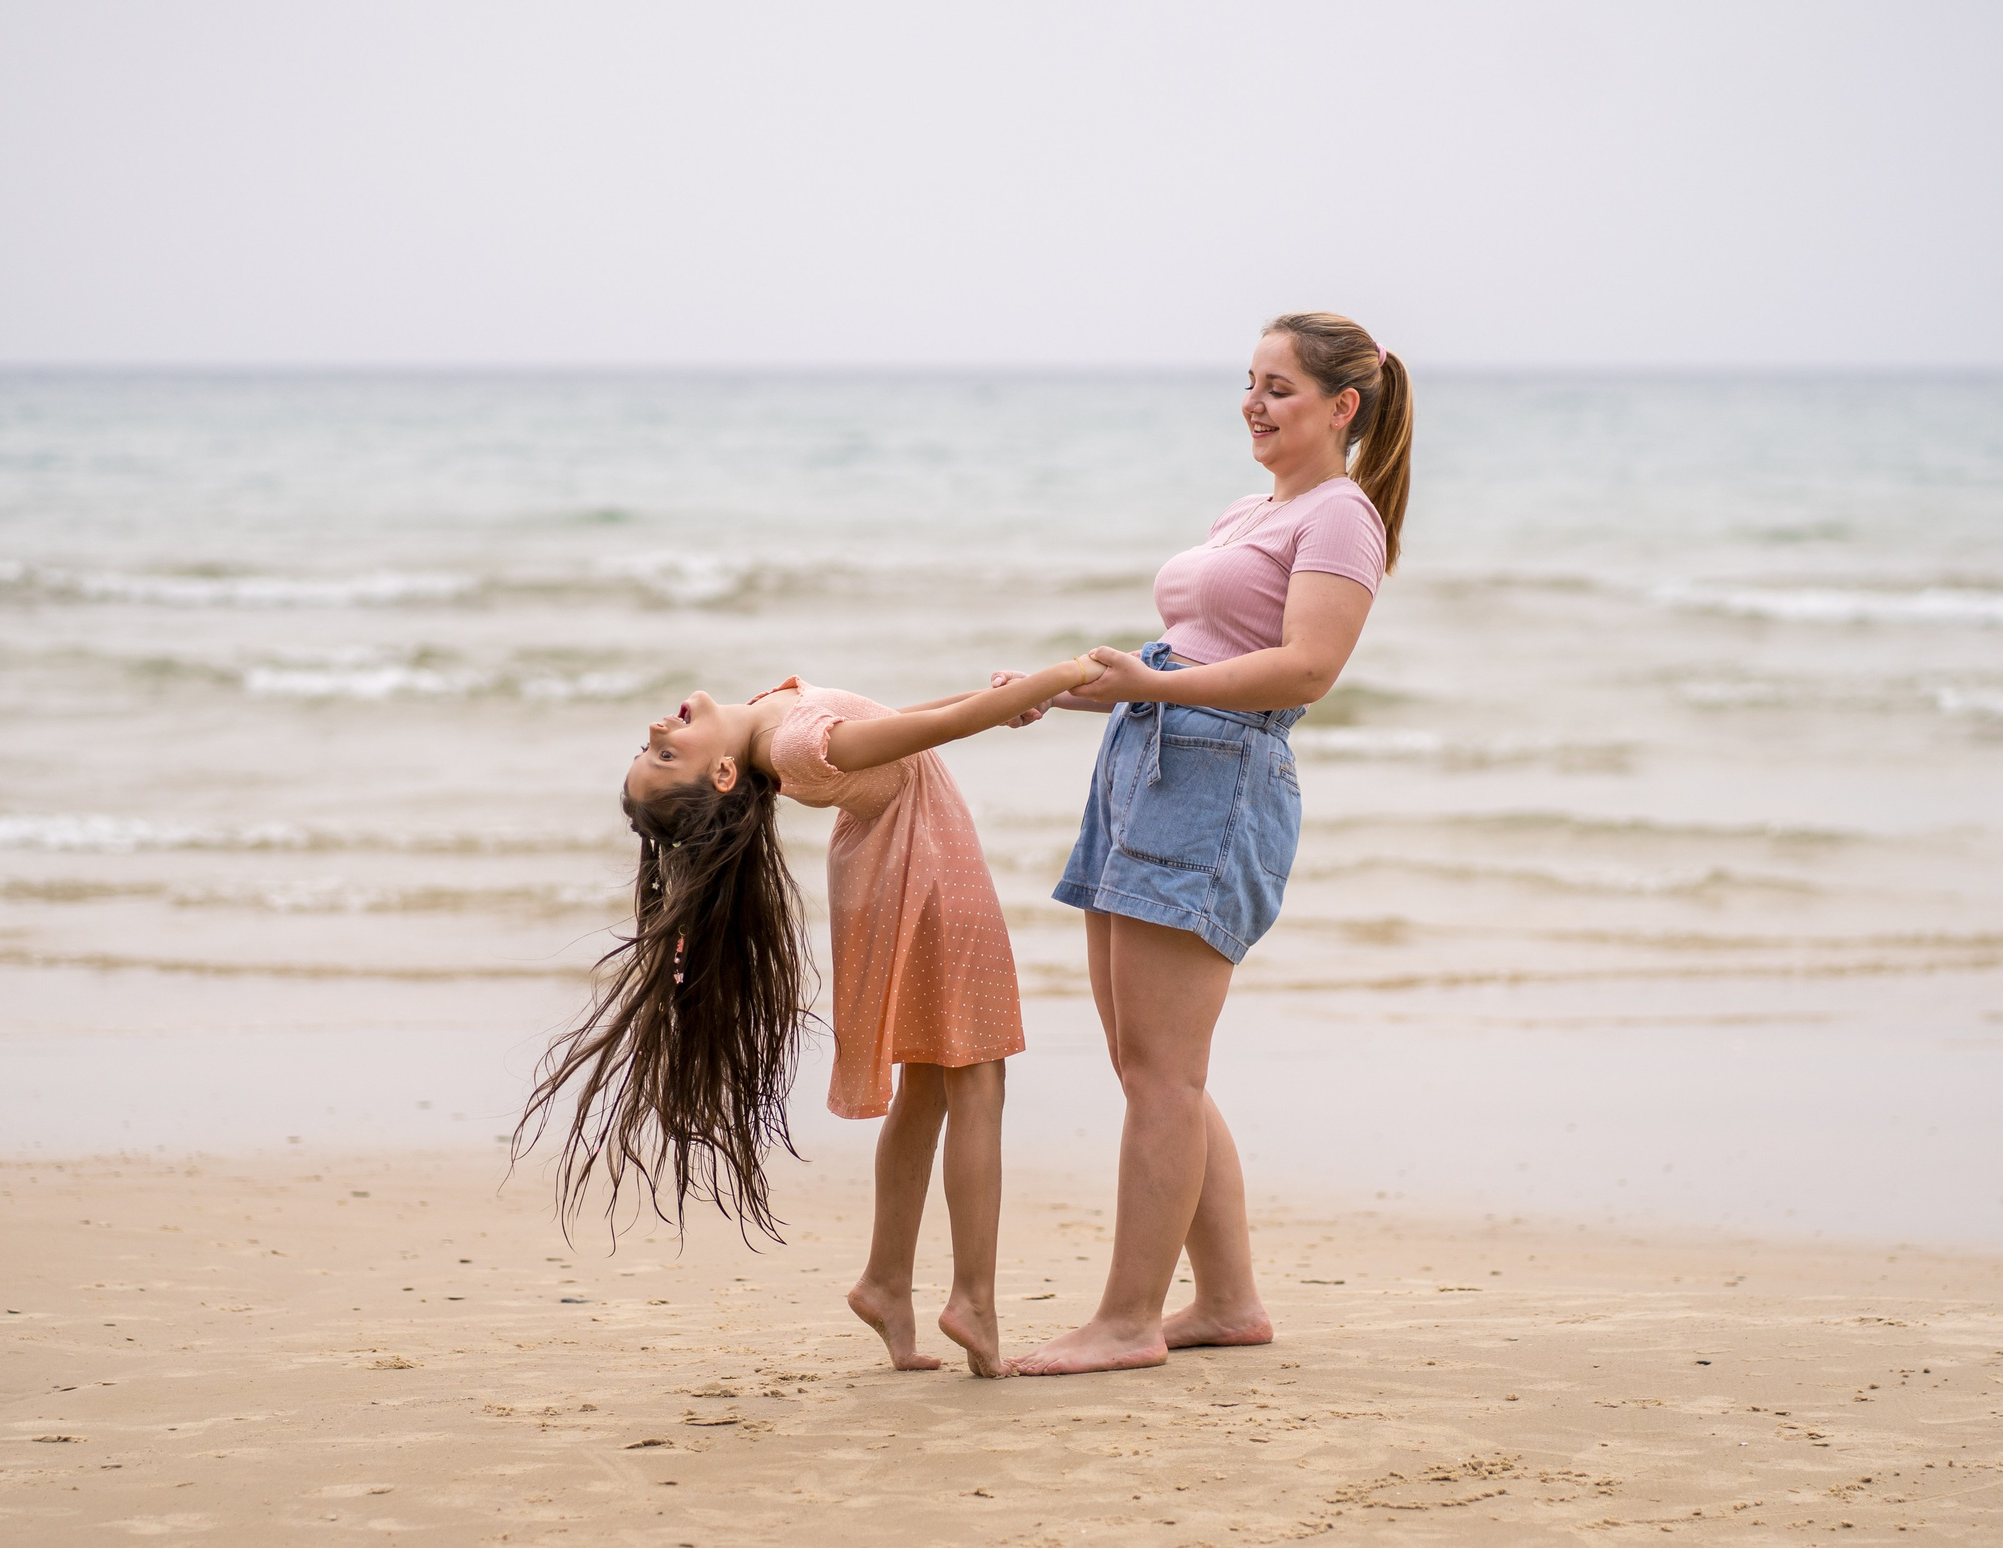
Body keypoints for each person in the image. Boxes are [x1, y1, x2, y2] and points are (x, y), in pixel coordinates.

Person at [1008, 311, 1413, 1376]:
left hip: (1220, 781)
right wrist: (1066, 689)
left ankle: (1128, 1318)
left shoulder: (1342, 517)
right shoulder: (1253, 509)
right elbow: (1189, 653)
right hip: (1148, 768)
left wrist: (1156, 685)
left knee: (1163, 1072)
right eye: (1249, 382)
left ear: (1342, 407)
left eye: (1278, 387)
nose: (1253, 402)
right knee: (1148, 1064)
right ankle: (1227, 1301)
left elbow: (1304, 669)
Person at [513, 655, 1107, 1378]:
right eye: (665, 754)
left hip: (899, 877)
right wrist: (1067, 671)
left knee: (930, 1081)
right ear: (724, 776)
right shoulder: (792, 745)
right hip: (928, 882)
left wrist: (999, 697)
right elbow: (943, 730)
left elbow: (904, 726)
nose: (654, 729)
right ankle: (972, 1301)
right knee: (979, 1080)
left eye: (650, 750)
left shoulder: (776, 724)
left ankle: (887, 1282)